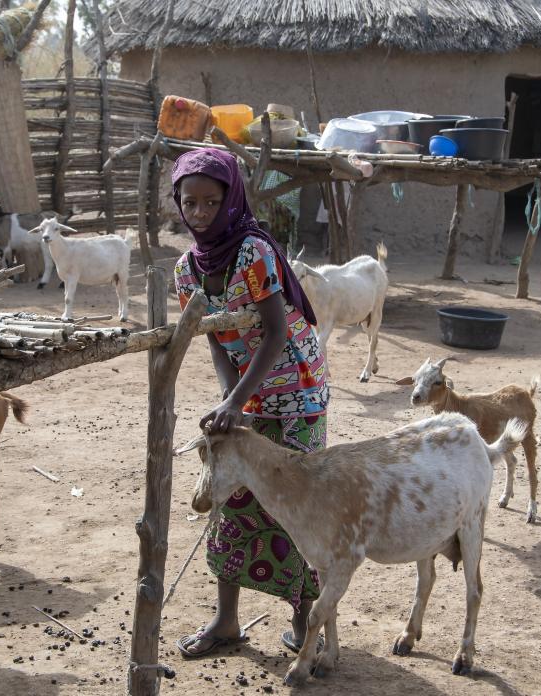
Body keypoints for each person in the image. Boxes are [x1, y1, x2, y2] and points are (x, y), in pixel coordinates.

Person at [171, 148, 330, 659]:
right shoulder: (185, 271)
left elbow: (277, 332)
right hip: (244, 392)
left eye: (210, 203)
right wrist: (230, 398)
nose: (199, 214)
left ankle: (305, 624)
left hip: (296, 389)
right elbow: (215, 339)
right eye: (189, 203)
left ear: (231, 199)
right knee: (232, 495)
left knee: (295, 502)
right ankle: (226, 621)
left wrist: (239, 400)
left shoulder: (252, 254)